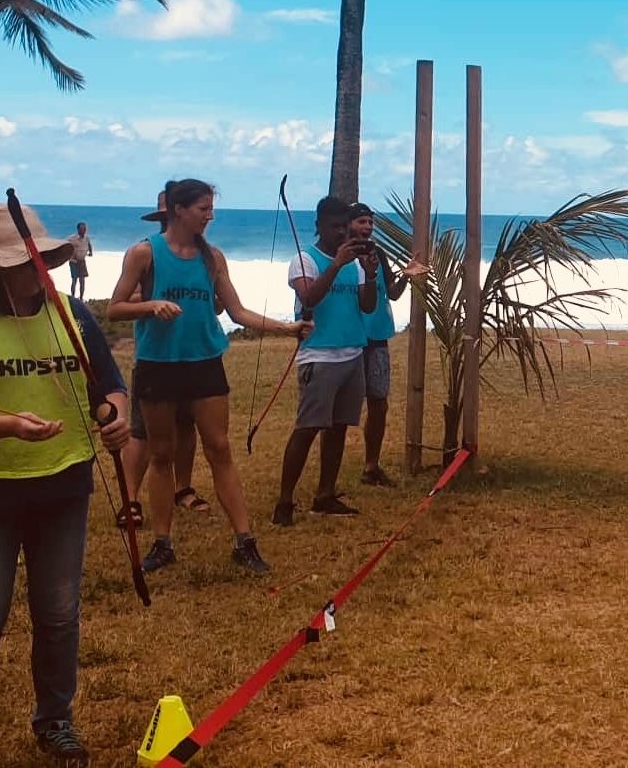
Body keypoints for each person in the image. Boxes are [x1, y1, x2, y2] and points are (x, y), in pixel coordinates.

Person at [0, 203, 130, 767]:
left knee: (58, 614)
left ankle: (56, 721)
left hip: (63, 484)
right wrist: (10, 426)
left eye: (40, 256)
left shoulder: (74, 317)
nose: (38, 267)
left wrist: (115, 413)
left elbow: (108, 385)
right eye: (23, 259)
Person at [108, 178, 309, 575]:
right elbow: (114, 308)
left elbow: (237, 312)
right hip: (158, 365)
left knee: (219, 449)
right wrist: (151, 306)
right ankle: (162, 543)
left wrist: (288, 329)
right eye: (203, 208)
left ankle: (245, 541)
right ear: (178, 210)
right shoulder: (144, 254)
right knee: (161, 454)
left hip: (204, 364)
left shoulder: (213, 257)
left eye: (211, 208)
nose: (210, 215)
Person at [272, 196, 377, 526]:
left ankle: (325, 495)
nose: (340, 234)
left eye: (343, 228)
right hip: (319, 356)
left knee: (339, 429)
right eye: (334, 228)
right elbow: (309, 298)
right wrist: (335, 265)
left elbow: (368, 307)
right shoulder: (305, 260)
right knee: (308, 428)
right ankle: (284, 502)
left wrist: (371, 275)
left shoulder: (355, 263)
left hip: (352, 352)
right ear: (318, 226)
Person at [117, 193, 211, 530]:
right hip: (156, 355)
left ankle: (182, 488)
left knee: (186, 425)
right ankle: (130, 499)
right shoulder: (144, 252)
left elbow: (214, 305)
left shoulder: (203, 256)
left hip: (193, 354)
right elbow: (122, 301)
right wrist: (156, 298)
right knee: (143, 434)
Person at [346, 202, 429, 487]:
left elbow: (391, 294)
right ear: (348, 224)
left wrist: (407, 274)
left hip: (378, 336)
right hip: (350, 338)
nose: (367, 228)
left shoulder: (378, 253)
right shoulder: (343, 255)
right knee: (342, 408)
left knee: (379, 404)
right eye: (361, 222)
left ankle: (372, 466)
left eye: (370, 222)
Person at [67, 222, 92, 301]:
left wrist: (91, 252)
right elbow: (67, 247)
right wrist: (71, 256)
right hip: (74, 261)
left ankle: (81, 298)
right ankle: (73, 297)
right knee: (74, 280)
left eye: (84, 229)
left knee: (82, 280)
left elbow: (89, 244)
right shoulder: (72, 238)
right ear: (78, 229)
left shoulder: (86, 238)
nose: (83, 231)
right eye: (82, 229)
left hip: (82, 261)